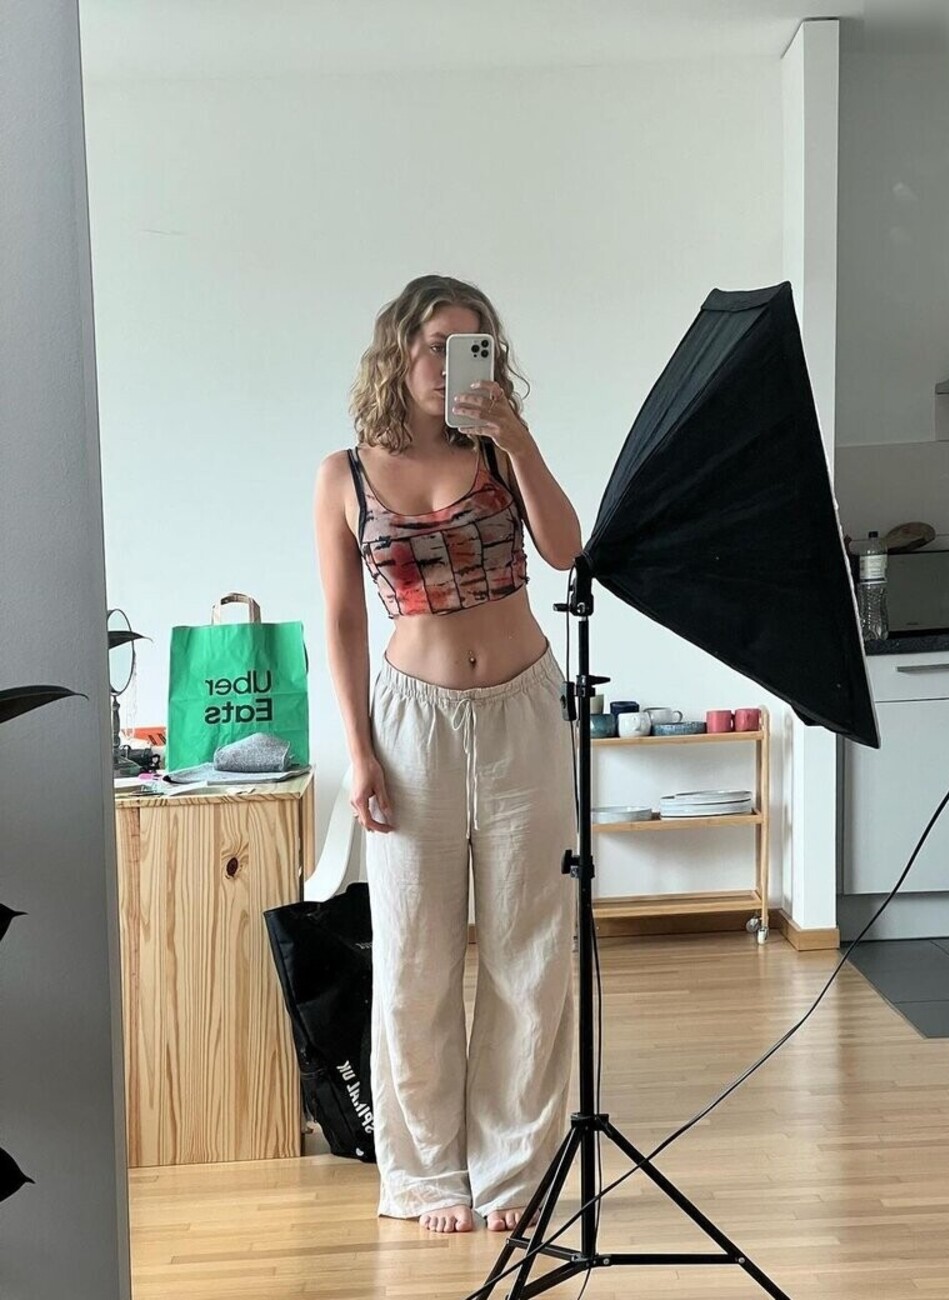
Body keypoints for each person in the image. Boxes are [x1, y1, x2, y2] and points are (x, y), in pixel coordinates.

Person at [314, 275, 581, 1236]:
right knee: (413, 957)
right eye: (436, 344)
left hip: (522, 713)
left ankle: (513, 1170)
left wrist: (518, 438)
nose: (451, 364)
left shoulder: (500, 454)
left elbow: (566, 550)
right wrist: (358, 751)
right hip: (409, 725)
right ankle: (425, 1175)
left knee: (529, 949)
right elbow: (344, 622)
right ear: (399, 348)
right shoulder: (344, 475)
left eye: (473, 346)